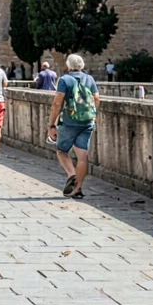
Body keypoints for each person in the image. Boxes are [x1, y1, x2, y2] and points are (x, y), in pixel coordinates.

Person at [47, 54, 99, 199]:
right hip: (87, 122)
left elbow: (57, 103)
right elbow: (96, 99)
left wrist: (52, 124)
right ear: (82, 65)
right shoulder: (89, 79)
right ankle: (78, 189)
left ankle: (72, 174)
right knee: (82, 157)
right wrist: (92, 115)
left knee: (61, 151)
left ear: (68, 65)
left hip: (70, 122)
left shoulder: (65, 79)